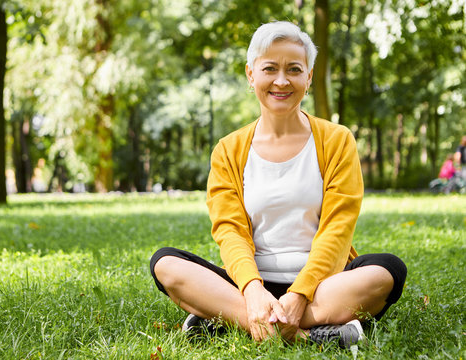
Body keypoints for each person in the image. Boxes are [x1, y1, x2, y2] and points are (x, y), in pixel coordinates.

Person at [149, 21, 407, 348]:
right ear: (250, 74)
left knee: (387, 271)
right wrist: (254, 291)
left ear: (309, 77)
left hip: (324, 285)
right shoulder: (228, 150)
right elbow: (230, 230)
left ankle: (228, 318)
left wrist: (299, 294)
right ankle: (305, 332)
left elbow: (338, 228)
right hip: (250, 283)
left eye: (294, 69)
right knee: (166, 264)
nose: (281, 80)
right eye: (270, 68)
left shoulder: (338, 141)